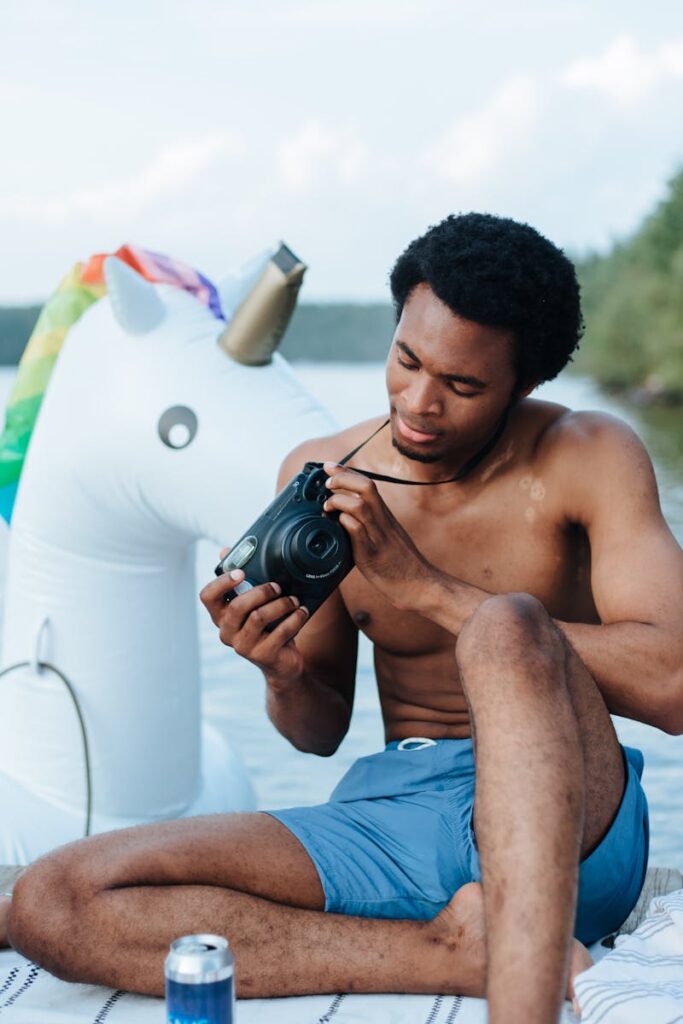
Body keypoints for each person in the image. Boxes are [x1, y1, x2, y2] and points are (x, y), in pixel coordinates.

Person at [3, 214, 682, 1024]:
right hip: (395, 813)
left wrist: (421, 584)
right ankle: (453, 952)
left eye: (462, 387)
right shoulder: (320, 477)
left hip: (573, 815)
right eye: (405, 361)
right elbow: (317, 730)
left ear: (525, 383)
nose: (419, 404)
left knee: (507, 625)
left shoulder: (587, 453)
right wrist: (280, 672)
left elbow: (672, 685)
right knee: (53, 899)